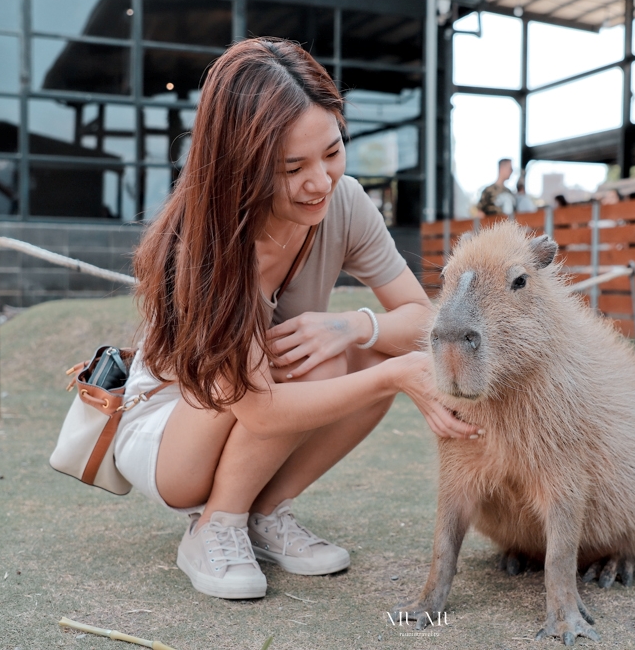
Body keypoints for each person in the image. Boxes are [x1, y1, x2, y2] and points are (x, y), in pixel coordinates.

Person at [121, 38, 478, 601]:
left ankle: (261, 515)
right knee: (335, 364)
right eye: (292, 168)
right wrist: (394, 375)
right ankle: (215, 525)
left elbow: (421, 319)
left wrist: (355, 325)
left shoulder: (344, 201)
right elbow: (258, 408)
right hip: (173, 437)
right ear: (243, 164)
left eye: (332, 152)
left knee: (352, 349)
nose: (321, 181)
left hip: (256, 405)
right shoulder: (208, 239)